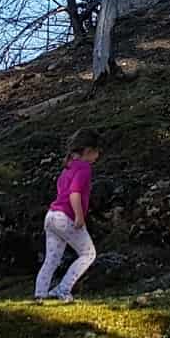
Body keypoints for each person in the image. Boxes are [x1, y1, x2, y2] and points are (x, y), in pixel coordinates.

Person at [34, 128, 101, 303]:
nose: (98, 156)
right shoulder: (84, 168)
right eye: (96, 152)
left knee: (52, 259)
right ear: (88, 151)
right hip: (66, 218)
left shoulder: (68, 167)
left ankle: (40, 294)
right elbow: (74, 193)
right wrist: (79, 216)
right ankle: (63, 289)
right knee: (88, 254)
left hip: (51, 217)